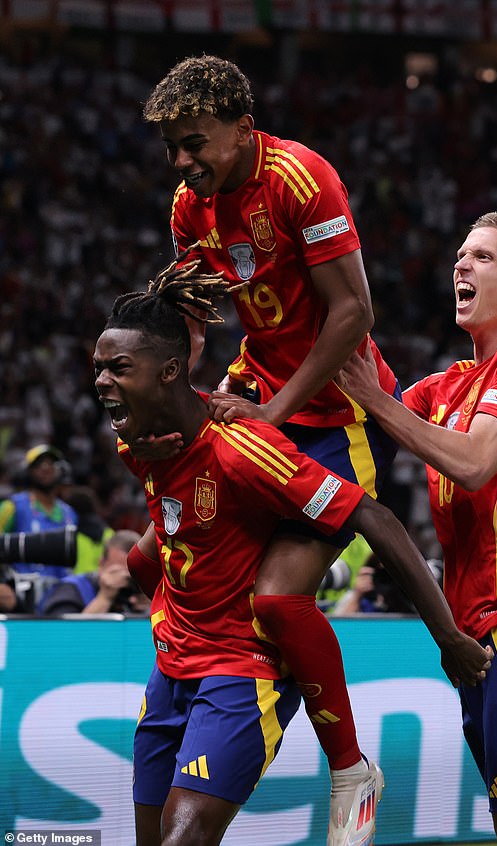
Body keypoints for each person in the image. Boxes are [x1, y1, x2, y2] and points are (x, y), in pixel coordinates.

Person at [93, 259, 492, 846]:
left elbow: (378, 520)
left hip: (238, 674)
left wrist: (450, 637)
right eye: (99, 368)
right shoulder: (139, 440)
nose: (101, 381)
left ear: (170, 371)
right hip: (171, 667)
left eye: (118, 369)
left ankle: (351, 770)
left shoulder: (243, 450)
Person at [141, 54, 404, 842]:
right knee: (155, 557)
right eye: (173, 150)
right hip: (254, 393)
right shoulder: (192, 204)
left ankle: (353, 770)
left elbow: (353, 311)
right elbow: (191, 316)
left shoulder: (301, 177)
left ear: (243, 130)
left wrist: (276, 412)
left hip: (336, 414)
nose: (184, 163)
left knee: (276, 599)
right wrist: (173, 396)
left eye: (196, 143)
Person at [339, 212, 497, 846]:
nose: (461, 266)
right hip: (474, 635)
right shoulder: (447, 384)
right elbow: (360, 389)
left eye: (481, 257)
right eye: (460, 256)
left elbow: (474, 463)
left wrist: (379, 401)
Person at [0, 444, 78, 580]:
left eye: (51, 463)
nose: (46, 468)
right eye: (38, 465)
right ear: (27, 472)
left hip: (60, 593)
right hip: (23, 591)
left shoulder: (69, 514)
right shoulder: (11, 507)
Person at [40, 529, 148, 617]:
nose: (125, 580)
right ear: (101, 564)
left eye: (132, 575)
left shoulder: (141, 594)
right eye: (118, 572)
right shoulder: (72, 589)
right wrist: (104, 598)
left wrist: (151, 607)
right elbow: (63, 635)